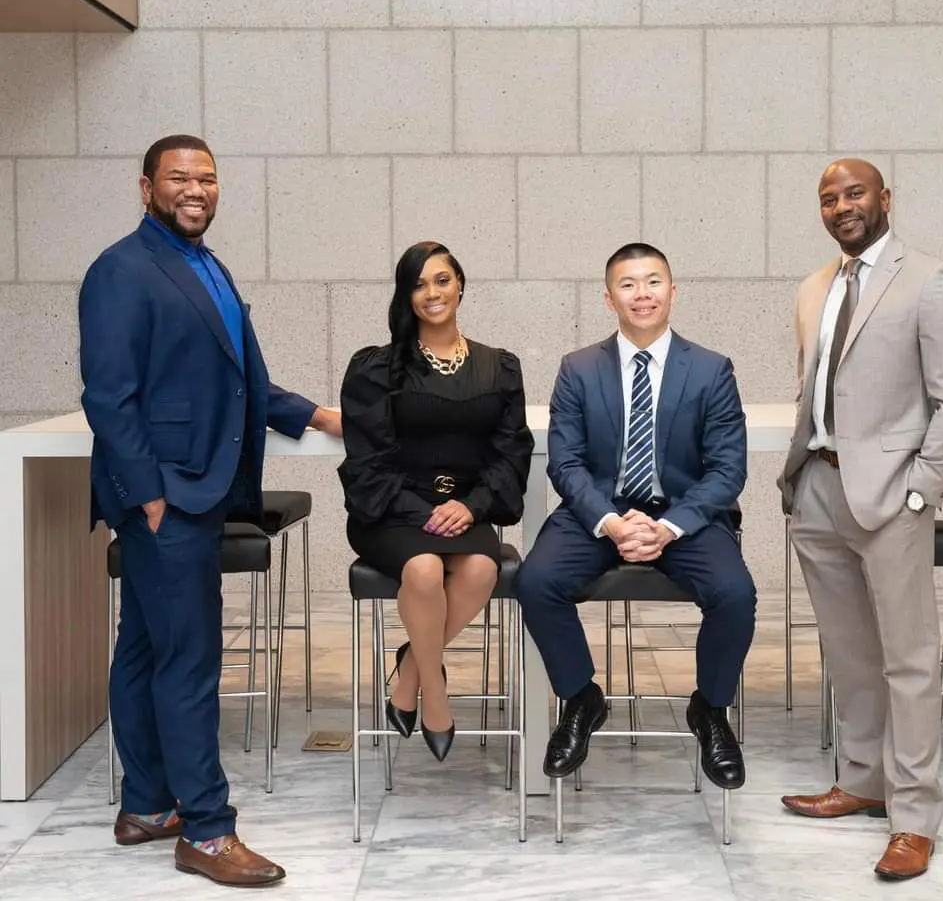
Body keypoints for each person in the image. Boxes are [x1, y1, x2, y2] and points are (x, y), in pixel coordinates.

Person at [79, 135, 342, 888]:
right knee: (190, 659)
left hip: (197, 483)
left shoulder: (206, 265)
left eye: (207, 178)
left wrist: (317, 413)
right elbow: (109, 396)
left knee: (144, 648)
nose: (195, 189)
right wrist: (150, 496)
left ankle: (147, 804)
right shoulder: (121, 270)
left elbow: (242, 378)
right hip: (167, 493)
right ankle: (207, 827)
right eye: (179, 178)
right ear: (145, 187)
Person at [778, 158, 943, 882]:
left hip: (892, 497)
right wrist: (796, 481)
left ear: (885, 198)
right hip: (820, 493)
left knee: (909, 661)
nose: (842, 205)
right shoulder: (813, 286)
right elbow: (814, 390)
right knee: (852, 655)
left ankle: (915, 815)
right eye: (829, 197)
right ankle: (863, 779)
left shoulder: (930, 279)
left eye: (855, 192)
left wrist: (922, 492)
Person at [515, 243, 754, 789]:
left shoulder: (712, 370)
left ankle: (711, 710)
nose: (641, 294)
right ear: (608, 298)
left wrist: (668, 527)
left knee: (736, 594)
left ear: (673, 291)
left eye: (652, 282)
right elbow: (566, 462)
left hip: (684, 514)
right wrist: (613, 522)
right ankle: (581, 698)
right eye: (627, 284)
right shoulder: (578, 369)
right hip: (597, 513)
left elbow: (726, 471)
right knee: (535, 581)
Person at [338, 240, 534, 761]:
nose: (432, 293)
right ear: (406, 295)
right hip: (392, 510)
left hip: (465, 508)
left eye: (442, 280)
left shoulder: (500, 367)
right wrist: (423, 513)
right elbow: (368, 461)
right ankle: (436, 698)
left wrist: (471, 506)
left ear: (461, 285)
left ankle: (410, 670)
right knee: (423, 570)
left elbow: (512, 451)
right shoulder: (376, 369)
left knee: (480, 570)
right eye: (419, 283)